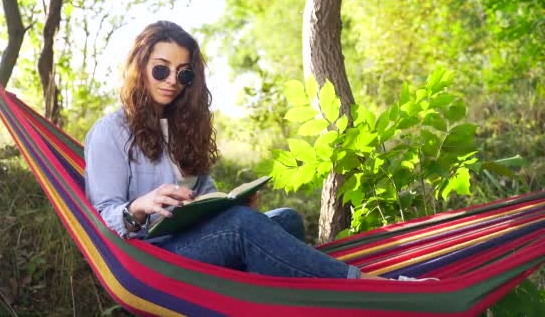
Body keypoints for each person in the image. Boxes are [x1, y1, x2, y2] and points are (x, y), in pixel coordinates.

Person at [84, 21, 411, 281]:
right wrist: (139, 206)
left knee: (286, 219)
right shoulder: (110, 132)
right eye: (160, 69)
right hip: (150, 258)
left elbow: (204, 195)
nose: (172, 80)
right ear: (139, 67)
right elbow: (101, 219)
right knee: (243, 227)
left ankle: (248, 288)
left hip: (192, 240)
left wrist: (230, 202)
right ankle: (367, 285)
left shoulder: (182, 128)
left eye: (183, 73)